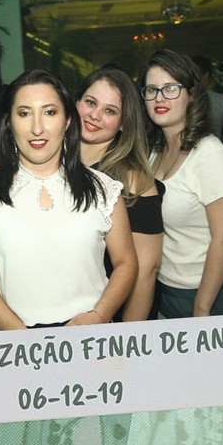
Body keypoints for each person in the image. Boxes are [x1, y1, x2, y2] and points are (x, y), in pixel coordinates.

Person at [0, 70, 137, 329]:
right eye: (24, 113)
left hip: (93, 335)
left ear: (67, 121)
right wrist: (23, 338)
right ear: (9, 123)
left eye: (50, 112)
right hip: (17, 339)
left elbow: (126, 263)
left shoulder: (103, 190)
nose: (37, 128)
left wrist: (99, 315)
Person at [142, 50, 223, 318]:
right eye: (151, 89)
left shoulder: (210, 155)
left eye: (170, 88)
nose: (159, 97)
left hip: (216, 295)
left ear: (192, 94)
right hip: (169, 289)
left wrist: (202, 307)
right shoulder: (153, 153)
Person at [76, 67, 164, 321]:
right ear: (76, 103)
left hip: (113, 316)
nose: (95, 115)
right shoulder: (52, 163)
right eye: (90, 102)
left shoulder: (132, 179)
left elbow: (145, 272)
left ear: (124, 123)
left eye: (110, 111)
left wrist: (127, 337)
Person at [191, 55, 223, 149]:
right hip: (213, 151)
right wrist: (216, 139)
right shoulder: (222, 100)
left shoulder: (178, 100)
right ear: (207, 76)